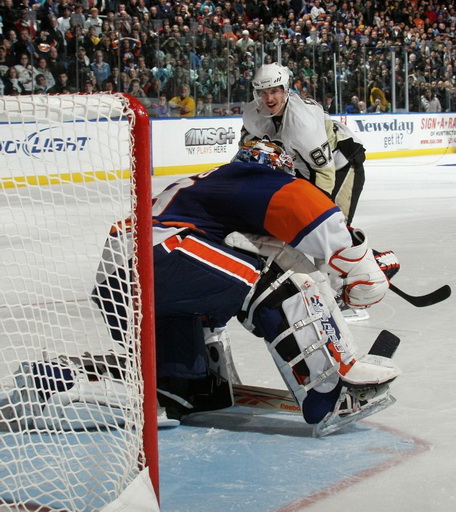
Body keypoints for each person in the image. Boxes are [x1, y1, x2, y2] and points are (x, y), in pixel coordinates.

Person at [92, 139, 400, 436]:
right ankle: (329, 389)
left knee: (189, 368)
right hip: (161, 256)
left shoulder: (208, 188)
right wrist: (360, 264)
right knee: (273, 274)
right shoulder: (254, 174)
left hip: (118, 286)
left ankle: (191, 384)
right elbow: (313, 215)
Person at [240, 63, 368, 320]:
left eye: (274, 91)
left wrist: (321, 212)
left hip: (341, 164)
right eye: (263, 93)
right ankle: (319, 292)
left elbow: (325, 171)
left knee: (328, 232)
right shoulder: (251, 114)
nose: (269, 98)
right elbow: (248, 152)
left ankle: (349, 299)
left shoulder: (302, 123)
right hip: (302, 167)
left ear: (285, 90)